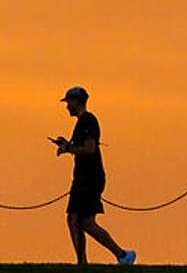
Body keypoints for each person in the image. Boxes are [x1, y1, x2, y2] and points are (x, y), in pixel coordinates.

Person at [52, 86, 135, 265]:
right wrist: (67, 145)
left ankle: (121, 256)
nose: (67, 106)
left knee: (82, 220)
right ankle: (90, 260)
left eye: (69, 102)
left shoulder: (88, 121)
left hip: (89, 178)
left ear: (76, 102)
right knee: (77, 220)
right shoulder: (83, 122)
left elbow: (89, 149)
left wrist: (68, 149)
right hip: (84, 177)